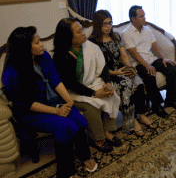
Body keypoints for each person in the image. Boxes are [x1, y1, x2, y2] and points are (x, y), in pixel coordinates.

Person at [2, 26, 97, 178]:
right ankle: (66, 172)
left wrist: (69, 101)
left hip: (53, 100)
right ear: (25, 48)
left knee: (79, 119)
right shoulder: (11, 74)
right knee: (66, 125)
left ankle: (84, 156)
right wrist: (57, 111)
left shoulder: (43, 56)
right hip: (31, 112)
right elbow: (28, 103)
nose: (42, 45)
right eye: (37, 42)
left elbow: (55, 80)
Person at [53, 18, 122, 153]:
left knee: (110, 95)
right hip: (73, 91)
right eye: (79, 32)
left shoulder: (90, 46)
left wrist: (107, 83)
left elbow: (103, 67)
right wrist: (95, 93)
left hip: (93, 82)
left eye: (82, 29)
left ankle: (107, 131)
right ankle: (98, 138)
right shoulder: (60, 57)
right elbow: (71, 84)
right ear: (69, 38)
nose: (84, 33)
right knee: (92, 106)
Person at [89, 10, 157, 137]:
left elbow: (123, 54)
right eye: (105, 24)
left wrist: (129, 67)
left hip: (121, 69)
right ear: (98, 25)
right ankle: (132, 121)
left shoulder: (116, 36)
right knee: (126, 86)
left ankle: (141, 115)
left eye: (110, 23)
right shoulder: (93, 42)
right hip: (106, 74)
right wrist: (115, 72)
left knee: (139, 83)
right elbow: (96, 67)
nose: (109, 26)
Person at [121, 5, 176, 119]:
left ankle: (171, 100)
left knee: (172, 67)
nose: (144, 18)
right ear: (133, 19)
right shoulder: (126, 33)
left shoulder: (147, 29)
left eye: (144, 15)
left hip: (151, 59)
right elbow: (134, 53)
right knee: (150, 74)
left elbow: (156, 46)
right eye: (141, 16)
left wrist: (164, 58)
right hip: (138, 64)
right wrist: (147, 66)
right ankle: (156, 105)